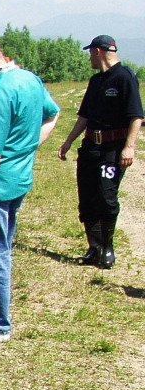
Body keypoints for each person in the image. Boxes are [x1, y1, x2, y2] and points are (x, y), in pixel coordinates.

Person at [0, 34, 60, 342]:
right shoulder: (28, 79)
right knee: (1, 246)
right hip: (18, 179)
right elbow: (52, 113)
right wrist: (28, 148)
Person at [57, 34, 143, 269]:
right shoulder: (96, 81)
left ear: (97, 51)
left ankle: (107, 247)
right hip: (90, 147)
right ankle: (93, 247)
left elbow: (136, 116)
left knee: (106, 196)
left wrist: (129, 147)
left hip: (113, 149)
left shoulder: (124, 77)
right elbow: (84, 116)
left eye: (90, 53)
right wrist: (68, 142)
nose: (89, 59)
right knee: (87, 197)